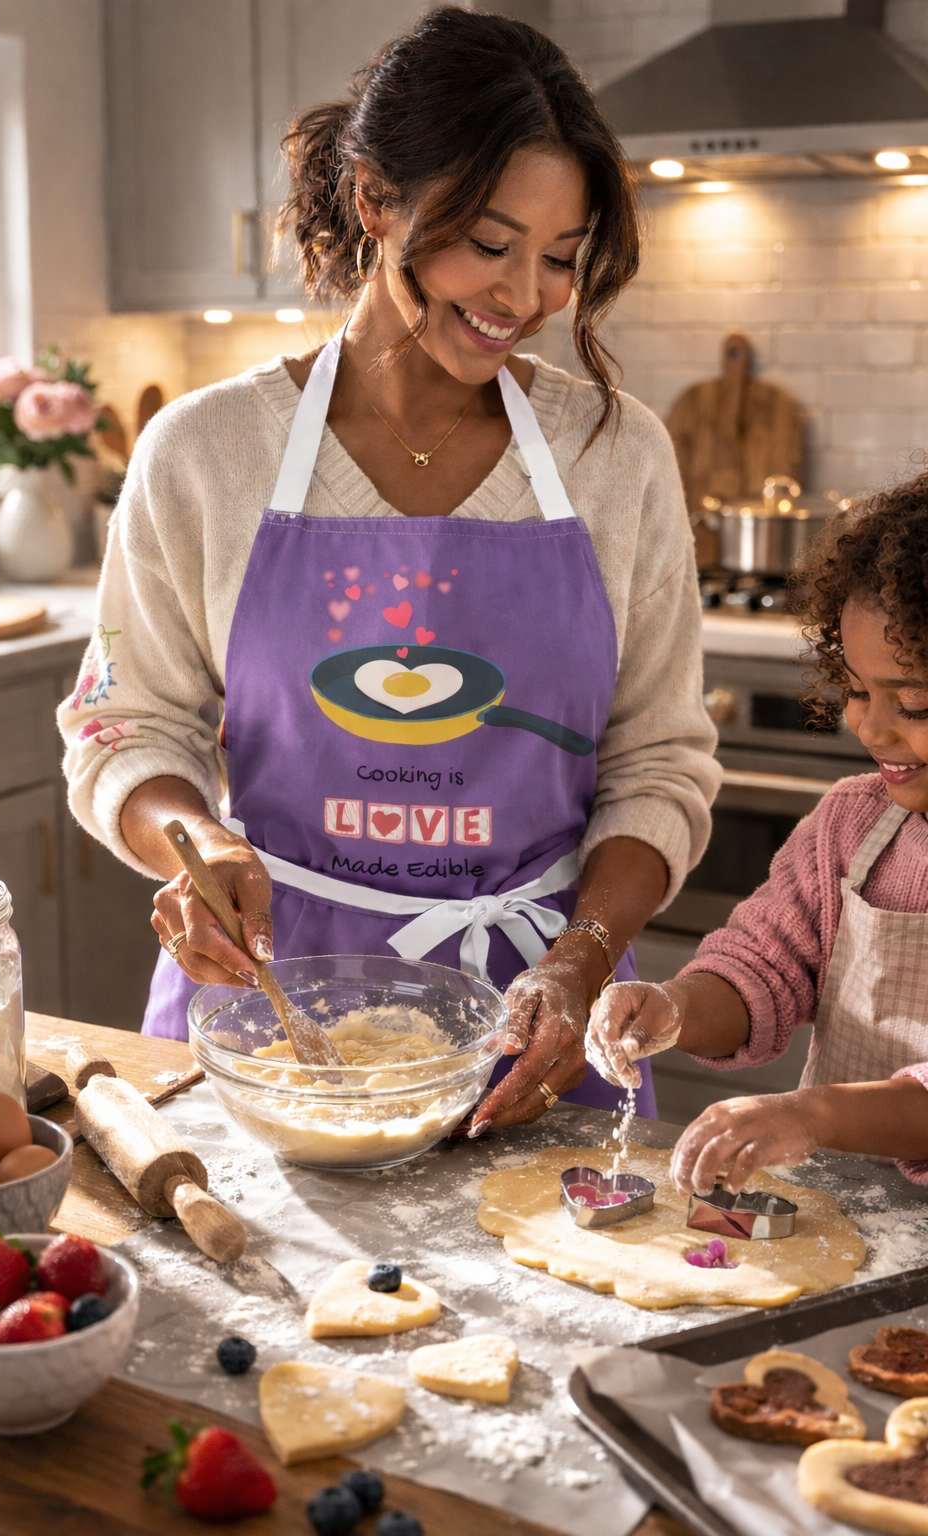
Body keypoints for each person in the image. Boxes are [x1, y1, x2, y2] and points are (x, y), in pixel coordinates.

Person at [60, 7, 718, 1132]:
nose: (524, 297)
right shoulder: (209, 452)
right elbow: (125, 725)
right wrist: (201, 840)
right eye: (489, 242)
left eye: (561, 259)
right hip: (262, 1027)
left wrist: (586, 956)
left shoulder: (615, 456)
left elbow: (659, 761)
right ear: (374, 200)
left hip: (536, 1020)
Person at [587, 473, 928, 1188]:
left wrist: (814, 1115)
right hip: (854, 1229)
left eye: (914, 704)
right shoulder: (854, 825)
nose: (868, 726)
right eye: (857, 691)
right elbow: (763, 966)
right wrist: (678, 1006)